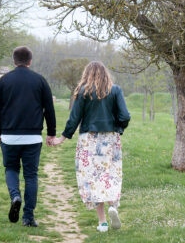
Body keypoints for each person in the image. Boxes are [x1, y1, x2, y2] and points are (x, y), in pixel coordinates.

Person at [52, 60, 130, 232]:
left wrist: (62, 138)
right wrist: (117, 127)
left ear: (87, 74)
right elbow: (125, 116)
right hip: (110, 139)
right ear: (105, 74)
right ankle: (113, 207)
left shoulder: (83, 91)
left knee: (93, 179)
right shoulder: (115, 90)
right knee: (111, 174)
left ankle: (102, 222)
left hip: (89, 140)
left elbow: (75, 117)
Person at [0, 45, 57, 227]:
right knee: (31, 175)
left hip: (9, 136)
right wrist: (51, 133)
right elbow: (49, 109)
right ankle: (28, 217)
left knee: (11, 168)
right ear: (30, 61)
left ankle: (15, 196)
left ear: (14, 61)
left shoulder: (4, 81)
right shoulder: (40, 81)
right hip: (33, 138)